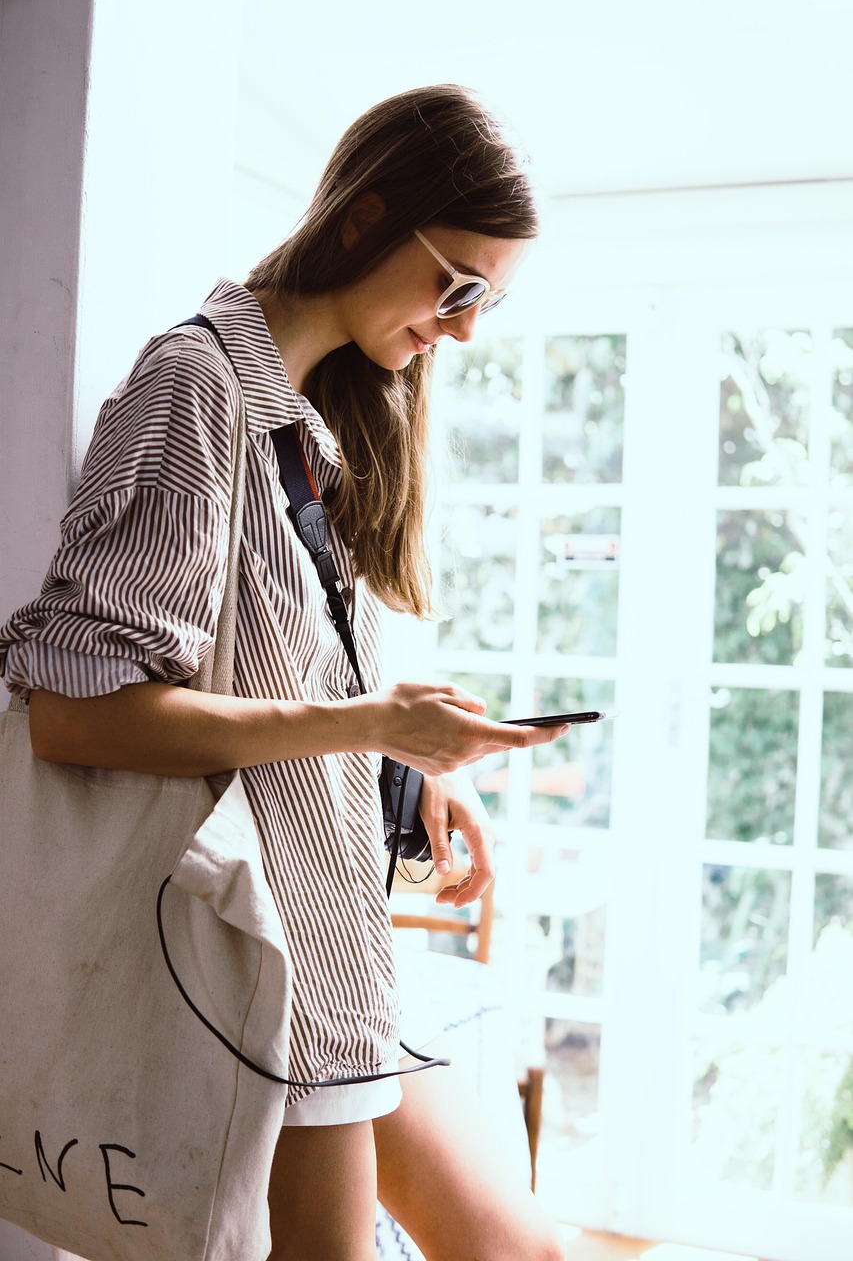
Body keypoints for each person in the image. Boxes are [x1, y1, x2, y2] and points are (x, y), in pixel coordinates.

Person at [0, 84, 565, 1261]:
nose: (462, 327)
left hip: (340, 942)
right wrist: (374, 717)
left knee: (519, 1246)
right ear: (363, 221)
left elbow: (261, 679)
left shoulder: (307, 423)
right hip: (275, 975)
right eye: (455, 283)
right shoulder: (193, 388)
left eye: (487, 302)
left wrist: (404, 773)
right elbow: (75, 712)